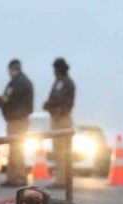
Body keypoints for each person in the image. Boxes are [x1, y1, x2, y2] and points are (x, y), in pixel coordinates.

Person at [0, 59, 33, 187]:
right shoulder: (24, 81)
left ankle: (18, 178)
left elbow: (9, 99)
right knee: (14, 149)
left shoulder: (17, 83)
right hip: (18, 119)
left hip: (17, 120)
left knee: (16, 149)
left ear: (12, 69)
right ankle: (13, 177)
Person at [43, 57, 75, 189]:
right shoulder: (62, 82)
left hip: (61, 118)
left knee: (61, 151)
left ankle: (62, 180)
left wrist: (49, 105)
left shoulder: (64, 82)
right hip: (58, 117)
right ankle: (62, 179)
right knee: (60, 151)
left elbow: (59, 100)